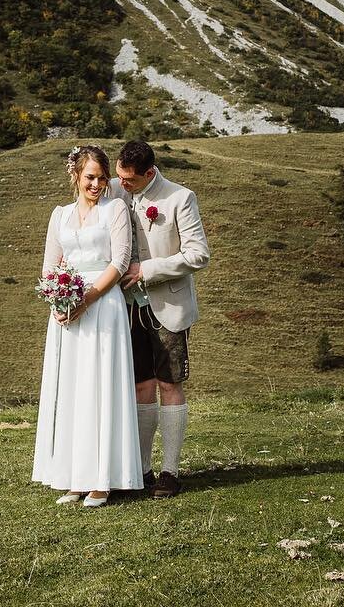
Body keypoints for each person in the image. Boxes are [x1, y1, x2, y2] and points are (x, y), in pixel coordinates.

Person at [31, 144, 144, 507]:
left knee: (100, 386)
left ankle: (103, 478)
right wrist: (58, 301)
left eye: (101, 177)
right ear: (76, 177)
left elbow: (121, 259)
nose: (96, 184)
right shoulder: (60, 215)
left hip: (103, 303)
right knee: (74, 390)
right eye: (89, 178)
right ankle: (74, 477)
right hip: (68, 312)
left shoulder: (116, 210)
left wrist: (88, 299)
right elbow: (51, 264)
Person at [116, 140, 210, 499]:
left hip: (167, 307)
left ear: (149, 173)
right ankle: (141, 470)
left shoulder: (180, 198)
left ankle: (170, 471)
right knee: (140, 386)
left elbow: (198, 255)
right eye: (119, 176)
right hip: (126, 306)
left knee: (169, 384)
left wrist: (148, 269)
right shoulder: (115, 190)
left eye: (129, 180)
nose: (121, 184)